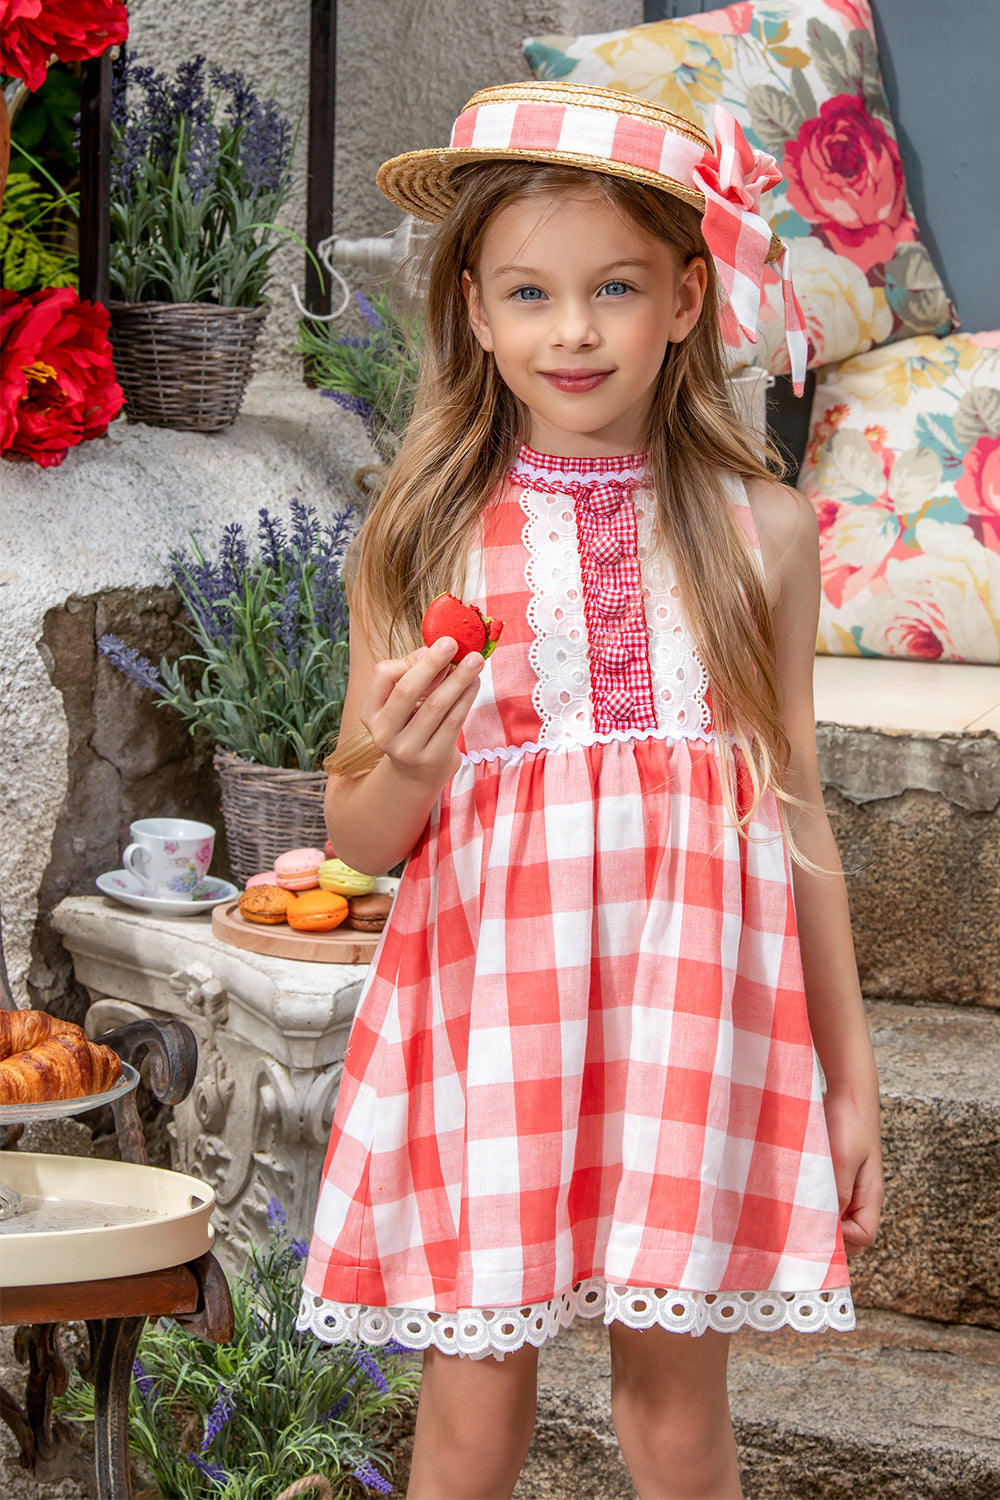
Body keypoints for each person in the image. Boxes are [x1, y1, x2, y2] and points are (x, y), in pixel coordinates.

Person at [297, 81, 883, 1500]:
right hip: (494, 1023)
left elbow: (795, 806)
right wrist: (410, 764)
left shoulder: (763, 532)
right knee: (471, 1418)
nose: (572, 330)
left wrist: (850, 1076)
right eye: (530, 293)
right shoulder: (421, 535)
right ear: (476, 311)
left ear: (686, 299)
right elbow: (357, 838)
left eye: (614, 288)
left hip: (689, 1028)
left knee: (677, 1421)